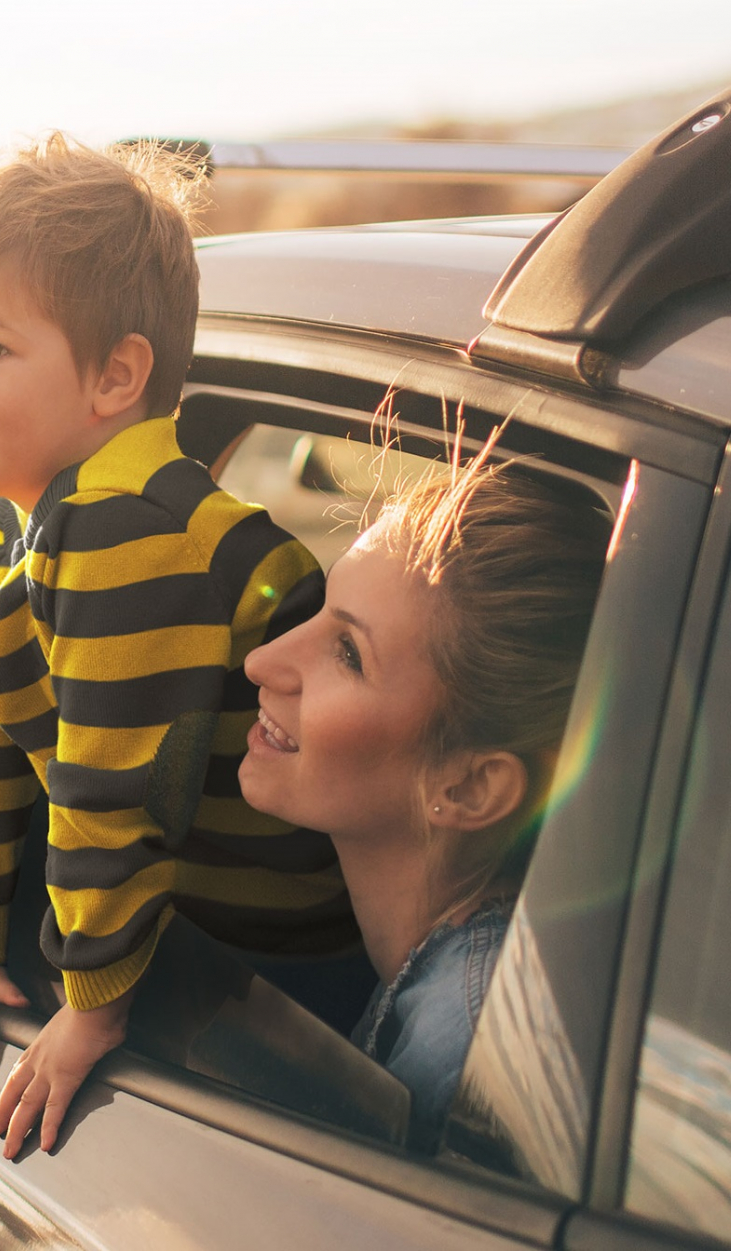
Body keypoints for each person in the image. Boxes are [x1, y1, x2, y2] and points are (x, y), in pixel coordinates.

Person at [0, 134, 361, 1159]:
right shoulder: (0, 524)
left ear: (113, 377)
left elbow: (115, 793)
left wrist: (92, 1004)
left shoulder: (129, 533)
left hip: (278, 972)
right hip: (190, 941)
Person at [238, 458, 609, 1135]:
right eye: (320, 609)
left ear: (467, 787)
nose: (262, 663)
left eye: (348, 652)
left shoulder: (460, 1055)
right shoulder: (457, 979)